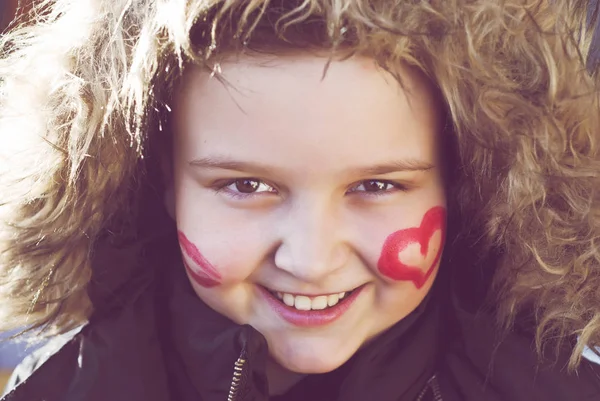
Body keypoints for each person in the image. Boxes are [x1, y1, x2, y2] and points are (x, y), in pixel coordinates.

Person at [0, 1, 599, 400]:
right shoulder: (67, 387)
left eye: (376, 186)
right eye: (246, 186)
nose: (311, 261)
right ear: (160, 182)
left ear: (467, 184)